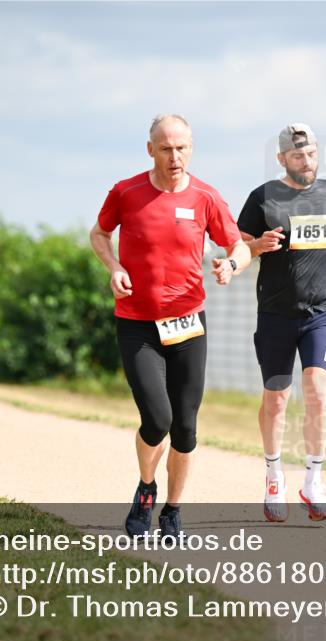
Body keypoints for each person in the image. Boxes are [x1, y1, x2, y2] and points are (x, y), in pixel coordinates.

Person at [90, 114, 250, 538]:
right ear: (150, 150)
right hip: (137, 322)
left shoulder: (206, 197)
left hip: (188, 323)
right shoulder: (126, 192)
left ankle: (173, 510)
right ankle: (146, 489)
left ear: (191, 148)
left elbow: (238, 245)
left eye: (181, 148)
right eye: (165, 148)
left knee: (185, 427)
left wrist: (231, 264)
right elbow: (99, 234)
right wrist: (114, 266)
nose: (174, 156)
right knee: (157, 419)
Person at [237, 123, 326, 522]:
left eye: (313, 154)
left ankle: (314, 481)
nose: (308, 161)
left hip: (321, 309)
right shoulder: (263, 196)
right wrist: (257, 246)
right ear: (282, 158)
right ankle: (273, 476)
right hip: (275, 312)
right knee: (277, 398)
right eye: (299, 155)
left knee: (318, 392)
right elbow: (237, 246)